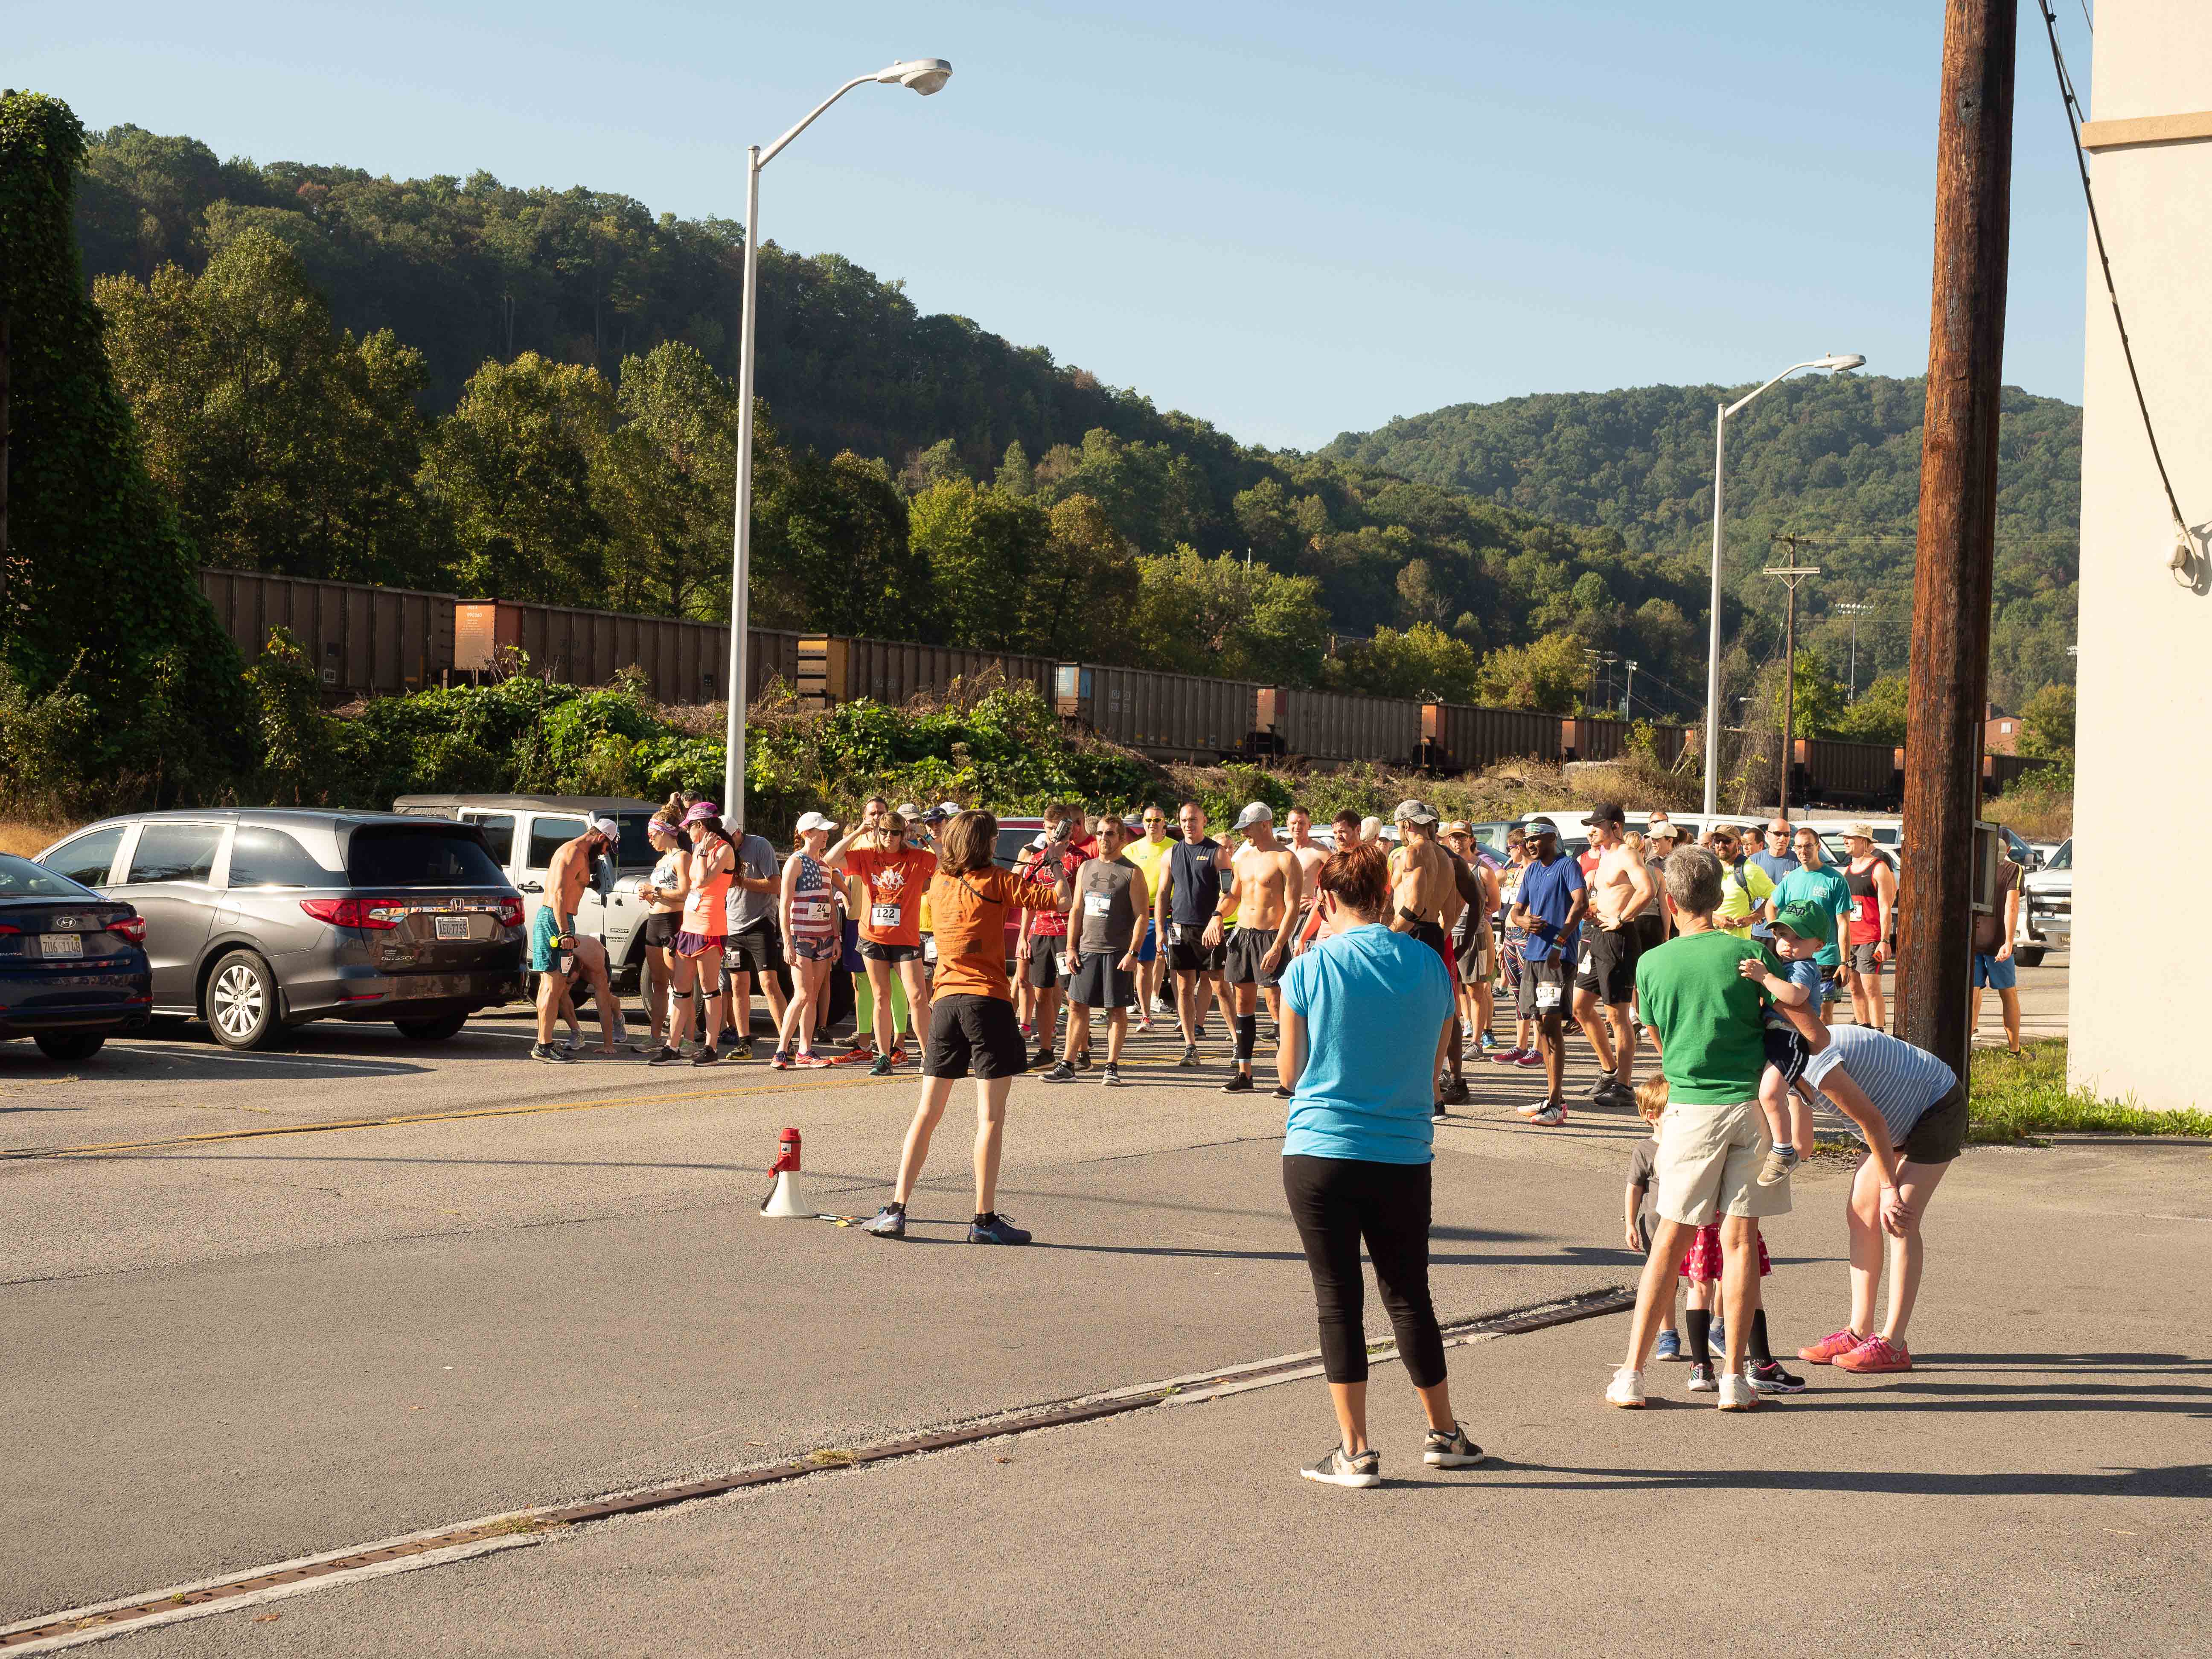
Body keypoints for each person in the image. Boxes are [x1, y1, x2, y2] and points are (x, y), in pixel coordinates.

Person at [1277, 840, 1479, 1486]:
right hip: (1401, 1152)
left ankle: (1356, 1450)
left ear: (1326, 899)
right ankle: (1444, 1433)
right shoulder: (1430, 966)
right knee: (1409, 1295)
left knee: (1338, 1300)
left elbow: (1289, 1074)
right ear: (1384, 895)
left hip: (1321, 1148)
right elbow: (1433, 1068)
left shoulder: (1310, 967)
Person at [1607, 844, 1828, 1413]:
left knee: (1670, 1239)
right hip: (1752, 1108)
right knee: (1740, 1241)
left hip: (1690, 1108)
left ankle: (1632, 1374)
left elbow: (1658, 1041)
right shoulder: (1750, 954)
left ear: (1670, 900)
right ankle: (1734, 1378)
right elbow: (1808, 1025)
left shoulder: (1653, 964)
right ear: (1718, 896)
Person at [861, 811, 1073, 1245]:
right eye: (993, 839)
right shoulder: (997, 880)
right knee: (990, 1117)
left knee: (927, 1112)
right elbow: (1063, 901)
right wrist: (1054, 861)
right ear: (986, 843)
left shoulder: (940, 882)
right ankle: (984, 1219)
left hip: (945, 1002)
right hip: (987, 1001)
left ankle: (896, 1210)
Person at [1783, 1023, 1969, 1374]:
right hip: (1894, 1119)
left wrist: (1889, 1188)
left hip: (1936, 1106)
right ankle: (1859, 1332)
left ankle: (1894, 1345)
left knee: (1899, 1217)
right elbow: (1802, 1145)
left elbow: (1873, 1122)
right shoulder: (1788, 1065)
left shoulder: (1814, 1061)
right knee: (1860, 1213)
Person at [827, 806, 938, 1076]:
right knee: (880, 995)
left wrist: (923, 836)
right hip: (873, 936)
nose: (889, 837)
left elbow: (948, 860)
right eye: (885, 832)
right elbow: (831, 859)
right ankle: (884, 1056)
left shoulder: (917, 857)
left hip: (905, 939)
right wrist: (859, 831)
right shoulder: (867, 855)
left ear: (903, 834)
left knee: (917, 996)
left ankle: (928, 1055)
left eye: (896, 833)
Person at [1043, 812, 1149, 1086]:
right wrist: (1071, 947)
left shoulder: (1132, 872)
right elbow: (1077, 909)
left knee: (1117, 1009)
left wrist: (1133, 953)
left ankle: (1112, 1066)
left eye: (1110, 834)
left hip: (1117, 952)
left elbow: (1142, 916)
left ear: (1122, 839)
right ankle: (1068, 1064)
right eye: (1100, 833)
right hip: (1086, 950)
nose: (1104, 838)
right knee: (1077, 1006)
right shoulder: (1086, 868)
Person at [1211, 803, 1303, 1094]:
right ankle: (1244, 1074)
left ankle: (1288, 1079)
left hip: (1271, 937)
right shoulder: (1244, 859)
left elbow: (1292, 908)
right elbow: (1233, 897)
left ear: (1265, 825)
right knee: (1243, 1004)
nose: (1244, 834)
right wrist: (1217, 915)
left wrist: (1278, 946)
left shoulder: (1286, 859)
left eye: (1248, 828)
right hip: (1243, 935)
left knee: (1277, 1005)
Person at [1573, 801, 1657, 1110]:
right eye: (1591, 826)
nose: (1592, 831)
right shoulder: (1604, 856)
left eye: (1598, 826)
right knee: (1580, 1006)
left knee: (1617, 1015)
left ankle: (1623, 1084)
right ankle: (1609, 1071)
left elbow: (1647, 889)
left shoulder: (1627, 854)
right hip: (1596, 935)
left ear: (1616, 827)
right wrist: (1593, 910)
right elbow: (1609, 894)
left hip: (1619, 939)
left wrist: (1621, 918)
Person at [1386, 800, 1464, 1118]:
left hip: (1411, 933)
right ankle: (1432, 1097)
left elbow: (1415, 906)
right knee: (1430, 1015)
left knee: (1406, 1016)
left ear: (1405, 825)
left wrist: (1389, 934)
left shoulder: (1413, 853)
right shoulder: (1445, 857)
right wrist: (1439, 936)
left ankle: (1419, 1095)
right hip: (1432, 934)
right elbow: (1454, 909)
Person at [1506, 817, 1585, 1124]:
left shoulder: (1568, 866)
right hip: (1534, 957)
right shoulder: (1531, 871)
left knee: (1552, 1027)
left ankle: (1555, 1102)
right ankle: (1553, 1098)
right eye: (1527, 840)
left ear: (1553, 838)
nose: (1530, 845)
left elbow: (1580, 905)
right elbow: (1516, 910)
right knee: (1540, 1026)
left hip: (1557, 958)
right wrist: (1523, 921)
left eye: (1536, 838)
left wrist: (1559, 943)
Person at [1744, 900, 1828, 1185]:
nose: (1787, 943)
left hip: (1791, 1038)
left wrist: (1765, 978)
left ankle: (1783, 1152)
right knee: (1767, 1088)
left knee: (1770, 1095)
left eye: (1798, 938)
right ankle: (1798, 1084)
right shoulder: (1787, 964)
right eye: (1782, 935)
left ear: (1818, 945)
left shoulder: (1803, 966)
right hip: (1775, 1034)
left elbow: (1795, 997)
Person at [527, 817, 624, 1063]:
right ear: (600, 838)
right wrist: (564, 932)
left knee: (553, 986)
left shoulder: (577, 854)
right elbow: (559, 894)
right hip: (556, 921)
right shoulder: (573, 854)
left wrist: (589, 882)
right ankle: (544, 1045)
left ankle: (543, 1043)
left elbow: (570, 887)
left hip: (559, 919)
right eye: (606, 848)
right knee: (553, 986)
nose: (605, 853)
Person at [659, 803, 735, 1067]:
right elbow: (692, 886)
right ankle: (672, 1047)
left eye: (689, 827)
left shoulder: (723, 850)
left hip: (710, 926)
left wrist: (702, 853)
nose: (686, 832)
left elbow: (702, 881)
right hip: (689, 925)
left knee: (709, 988)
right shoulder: (698, 848)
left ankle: (711, 1048)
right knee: (681, 988)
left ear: (700, 826)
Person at [1157, 801, 1232, 1068]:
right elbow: (1163, 893)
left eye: (1193, 819)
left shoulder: (1218, 853)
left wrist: (1218, 918)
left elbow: (1229, 892)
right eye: (1184, 820)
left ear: (1204, 821)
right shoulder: (1170, 854)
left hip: (1208, 928)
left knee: (1220, 986)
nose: (1189, 824)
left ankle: (1239, 1043)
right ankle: (1190, 1047)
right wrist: (1160, 930)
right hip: (1179, 929)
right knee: (1183, 988)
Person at [1016, 805, 1091, 1066]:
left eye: (1057, 829)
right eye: (1048, 829)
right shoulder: (1036, 859)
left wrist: (1078, 940)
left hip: (1068, 934)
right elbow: (1028, 902)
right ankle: (1046, 1051)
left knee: (1074, 996)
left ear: (1068, 829)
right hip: (1040, 932)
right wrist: (1023, 936)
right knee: (1042, 993)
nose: (1052, 834)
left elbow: (1082, 902)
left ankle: (1082, 1051)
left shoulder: (1081, 860)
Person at [770, 812, 841, 1068]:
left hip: (824, 937)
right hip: (801, 936)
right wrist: (787, 940)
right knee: (801, 994)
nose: (826, 836)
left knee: (813, 995)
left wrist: (836, 937)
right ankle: (781, 1050)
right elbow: (784, 904)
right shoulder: (795, 862)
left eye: (827, 832)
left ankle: (805, 1050)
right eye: (821, 831)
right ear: (807, 833)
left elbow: (830, 903)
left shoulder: (826, 865)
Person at [716, 812, 788, 1058]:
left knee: (769, 983)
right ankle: (744, 1043)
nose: (727, 845)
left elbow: (775, 885)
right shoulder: (721, 851)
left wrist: (740, 882)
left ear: (738, 833)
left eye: (729, 840)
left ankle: (786, 1043)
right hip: (732, 928)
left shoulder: (760, 845)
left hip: (760, 925)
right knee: (737, 986)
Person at [1768, 825, 1853, 1027]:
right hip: (1794, 958)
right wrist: (1779, 936)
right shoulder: (1791, 878)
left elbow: (1844, 924)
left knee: (1823, 1016)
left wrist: (1845, 962)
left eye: (1808, 846)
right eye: (1798, 847)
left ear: (1818, 847)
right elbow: (1771, 906)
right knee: (1794, 1014)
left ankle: (1826, 1048)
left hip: (1826, 959)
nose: (1803, 851)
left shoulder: (1835, 880)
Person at [1624, 1083, 1682, 1362]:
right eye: (1673, 1111)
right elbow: (1634, 1188)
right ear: (1653, 1116)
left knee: (1700, 1279)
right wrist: (1630, 1224)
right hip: (1655, 1226)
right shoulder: (1645, 1150)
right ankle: (1668, 1333)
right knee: (1665, 1281)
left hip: (1689, 1222)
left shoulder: (1687, 1144)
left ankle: (1710, 1327)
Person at [1444, 822, 1499, 1064]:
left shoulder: (1483, 870)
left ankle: (1476, 1042)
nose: (1458, 841)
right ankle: (1451, 1039)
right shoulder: (1446, 865)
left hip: (1474, 934)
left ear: (1471, 839)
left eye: (1462, 837)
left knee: (1476, 990)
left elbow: (1495, 905)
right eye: (1454, 837)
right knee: (1451, 992)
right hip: (1447, 933)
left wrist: (1480, 915)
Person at [634, 811, 688, 1057]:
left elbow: (685, 893)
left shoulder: (682, 857)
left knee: (680, 984)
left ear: (666, 832)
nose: (650, 839)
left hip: (672, 922)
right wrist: (649, 895)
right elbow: (662, 893)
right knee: (658, 983)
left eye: (653, 834)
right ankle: (655, 1036)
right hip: (654, 921)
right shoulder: (661, 861)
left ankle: (688, 1037)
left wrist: (655, 890)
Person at [1840, 824, 1898, 1033]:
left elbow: (1886, 907)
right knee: (1854, 988)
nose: (1845, 841)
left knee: (1871, 988)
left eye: (1851, 838)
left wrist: (1884, 940)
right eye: (1845, 837)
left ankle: (1878, 1031)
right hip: (1851, 938)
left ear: (1864, 841)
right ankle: (1863, 1029)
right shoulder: (1847, 870)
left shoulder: (1878, 867)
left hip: (1871, 938)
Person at [1122, 805, 1176, 1030]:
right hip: (1144, 916)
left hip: (1172, 915)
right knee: (1144, 964)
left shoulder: (1175, 847)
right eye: (1148, 820)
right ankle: (1146, 1015)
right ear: (1143, 824)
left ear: (1164, 823)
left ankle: (1183, 1015)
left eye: (1157, 820)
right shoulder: (1131, 850)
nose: (1153, 824)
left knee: (1176, 965)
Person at [1491, 827, 1540, 1068]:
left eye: (1510, 848)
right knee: (1518, 992)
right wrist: (1503, 942)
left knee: (1534, 992)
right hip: (1511, 935)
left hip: (1528, 936)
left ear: (1520, 848)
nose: (1508, 852)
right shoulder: (1516, 871)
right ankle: (1521, 1045)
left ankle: (1538, 1048)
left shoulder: (1536, 871)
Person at [1970, 846, 2025, 1054]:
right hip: (1997, 942)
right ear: (2008, 849)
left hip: (1973, 939)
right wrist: (2009, 941)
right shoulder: (2013, 869)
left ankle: (1966, 1050)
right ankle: (2015, 1050)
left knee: (1971, 993)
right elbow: (2012, 905)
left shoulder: (1974, 866)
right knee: (2008, 994)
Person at [1706, 824, 1774, 938]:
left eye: (1727, 841)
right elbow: (1697, 907)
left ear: (1739, 844)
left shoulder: (1749, 870)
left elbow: (1776, 897)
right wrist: (1716, 919)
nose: (1721, 845)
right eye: (1717, 841)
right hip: (1708, 942)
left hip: (1736, 945)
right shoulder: (1711, 868)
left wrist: (1752, 918)